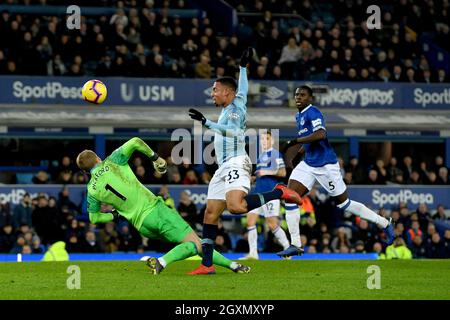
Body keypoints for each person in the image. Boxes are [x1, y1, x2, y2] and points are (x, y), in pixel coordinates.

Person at [187, 48, 302, 275]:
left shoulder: (232, 114)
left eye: (215, 90)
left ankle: (280, 192)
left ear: (227, 93)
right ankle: (207, 265)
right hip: (223, 167)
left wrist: (206, 123)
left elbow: (231, 132)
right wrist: (242, 67)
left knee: (237, 206)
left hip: (236, 162)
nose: (212, 93)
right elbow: (244, 89)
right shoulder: (236, 102)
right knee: (210, 214)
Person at [76, 137, 249, 275]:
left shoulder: (91, 189)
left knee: (192, 244)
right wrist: (155, 158)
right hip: (155, 211)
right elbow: (136, 141)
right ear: (98, 158)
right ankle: (161, 262)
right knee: (195, 244)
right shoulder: (112, 162)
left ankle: (233, 266)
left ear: (85, 172)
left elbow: (94, 218)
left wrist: (116, 215)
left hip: (141, 225)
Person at [276, 85, 395, 258]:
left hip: (326, 166)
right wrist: (299, 153)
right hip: (309, 164)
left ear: (310, 98)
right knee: (290, 197)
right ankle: (295, 244)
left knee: (344, 204)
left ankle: (384, 223)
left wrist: (293, 142)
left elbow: (320, 134)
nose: (298, 97)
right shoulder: (299, 115)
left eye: (302, 95)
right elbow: (310, 139)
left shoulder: (314, 112)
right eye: (296, 95)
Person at [240, 131, 290, 260]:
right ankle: (253, 253)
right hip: (257, 193)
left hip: (270, 194)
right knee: (250, 221)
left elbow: (283, 172)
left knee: (272, 224)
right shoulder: (261, 156)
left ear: (272, 141)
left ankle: (288, 249)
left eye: (266, 139)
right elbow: (261, 174)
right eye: (262, 139)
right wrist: (254, 178)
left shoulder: (275, 154)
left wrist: (266, 171)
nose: (263, 141)